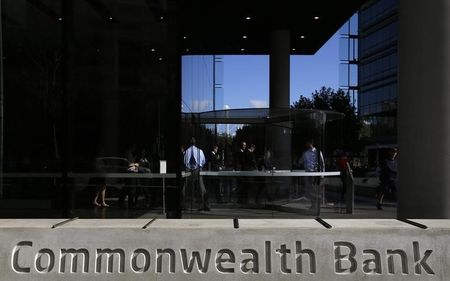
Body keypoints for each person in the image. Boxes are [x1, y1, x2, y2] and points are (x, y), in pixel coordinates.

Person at [183, 137, 210, 211]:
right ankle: (204, 205)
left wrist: (189, 167)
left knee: (185, 187)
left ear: (190, 143)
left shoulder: (186, 151)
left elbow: (184, 161)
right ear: (195, 143)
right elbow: (203, 161)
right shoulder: (200, 151)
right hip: (197, 169)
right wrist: (199, 166)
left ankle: (183, 204)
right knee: (201, 187)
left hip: (188, 170)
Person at [298, 139, 325, 210]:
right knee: (309, 190)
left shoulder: (318, 152)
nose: (305, 145)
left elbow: (322, 164)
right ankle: (314, 204)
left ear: (310, 143)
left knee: (315, 190)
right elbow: (300, 161)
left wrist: (322, 174)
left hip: (315, 174)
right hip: (308, 174)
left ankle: (315, 205)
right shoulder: (305, 153)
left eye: (306, 143)